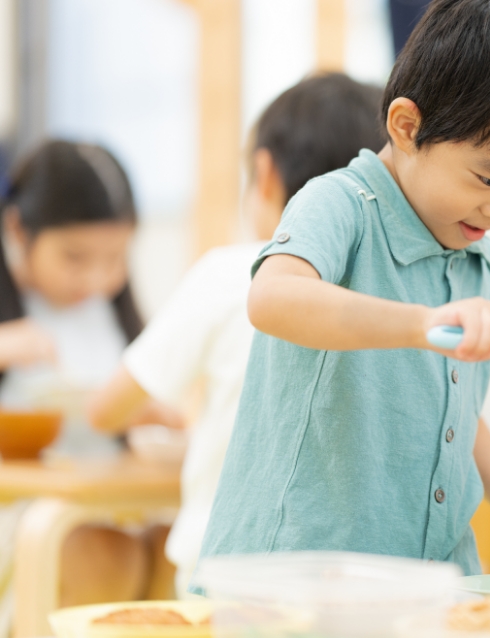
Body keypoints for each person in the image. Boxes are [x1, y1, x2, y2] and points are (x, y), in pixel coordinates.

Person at [195, 0, 490, 580]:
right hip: (295, 579)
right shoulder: (341, 204)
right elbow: (273, 299)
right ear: (407, 127)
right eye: (489, 177)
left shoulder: (481, 259)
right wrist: (420, 324)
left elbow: (451, 409)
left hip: (424, 583)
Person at [88, 72, 386, 596]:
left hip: (226, 569)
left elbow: (104, 409)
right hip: (357, 576)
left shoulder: (232, 272)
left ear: (264, 174)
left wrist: (161, 416)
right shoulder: (388, 295)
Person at [0, 140, 180, 622]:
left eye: (115, 258)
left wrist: (153, 412)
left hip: (111, 499)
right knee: (100, 553)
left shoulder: (113, 312)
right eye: (75, 258)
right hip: (26, 509)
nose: (97, 278)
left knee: (177, 549)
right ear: (17, 229)